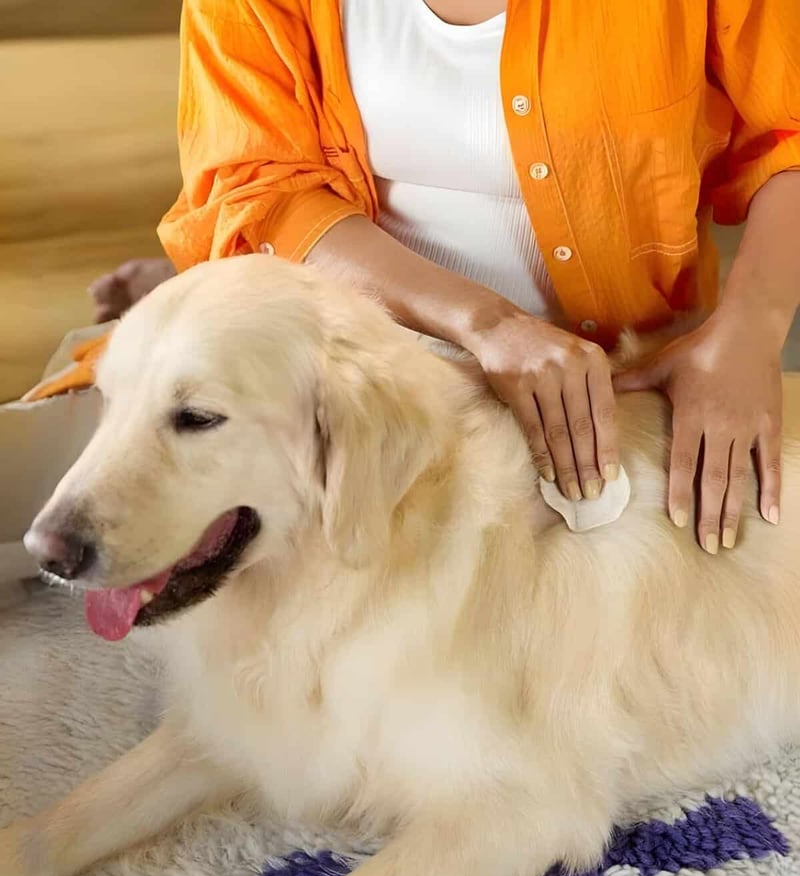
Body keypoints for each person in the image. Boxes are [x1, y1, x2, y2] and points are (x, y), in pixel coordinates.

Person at [87, 0, 800, 554]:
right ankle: (219, 282)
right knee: (96, 497)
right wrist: (488, 324)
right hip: (372, 357)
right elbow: (259, 185)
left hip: (626, 360)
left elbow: (789, 137)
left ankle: (213, 281)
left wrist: (745, 337)